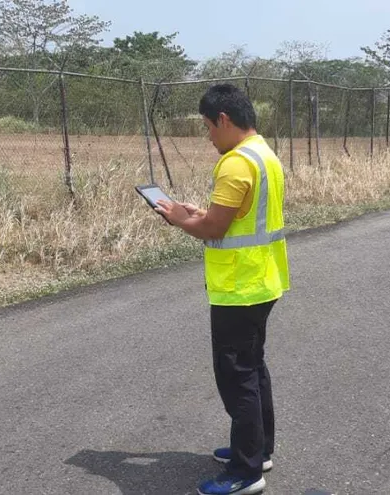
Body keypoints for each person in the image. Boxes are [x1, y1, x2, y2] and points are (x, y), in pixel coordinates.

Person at [156, 83, 290, 495]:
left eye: (207, 126)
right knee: (253, 368)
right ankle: (258, 449)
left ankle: (246, 472)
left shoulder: (234, 164)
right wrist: (196, 213)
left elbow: (214, 228)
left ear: (224, 120)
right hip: (264, 280)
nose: (208, 135)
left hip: (238, 286)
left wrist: (180, 219)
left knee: (237, 377)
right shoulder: (264, 155)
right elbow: (235, 217)